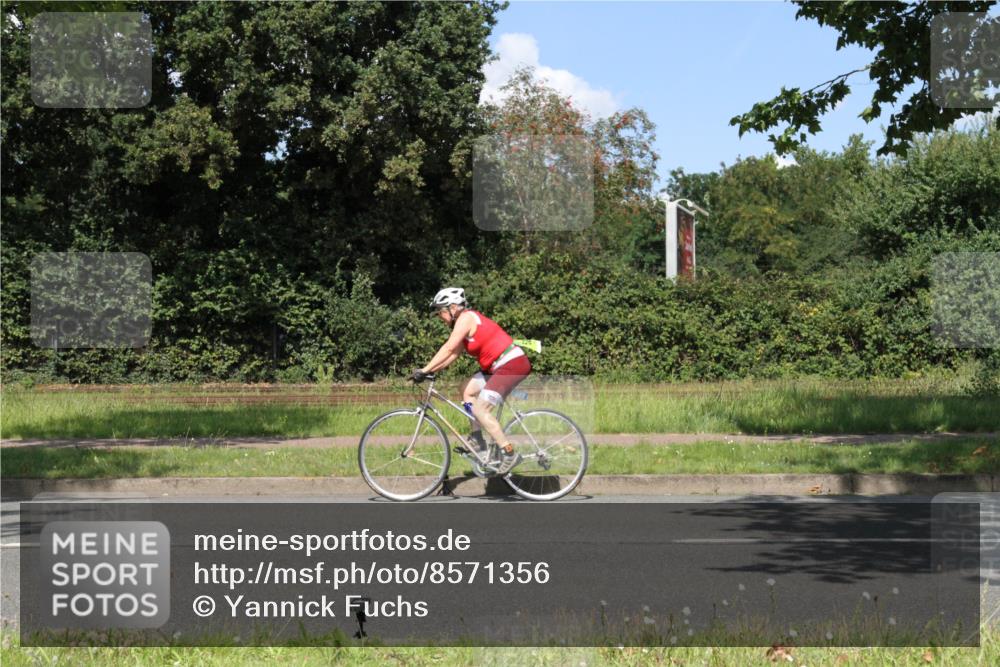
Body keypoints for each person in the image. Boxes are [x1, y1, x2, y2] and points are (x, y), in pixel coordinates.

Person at [411, 287, 531, 475]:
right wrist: (431, 371)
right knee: (466, 390)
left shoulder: (466, 318)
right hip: (496, 367)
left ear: (452, 308)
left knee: (481, 408)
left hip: (511, 364)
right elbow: (453, 355)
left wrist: (424, 369)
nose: (439, 317)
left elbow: (449, 347)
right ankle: (477, 437)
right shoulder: (462, 325)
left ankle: (509, 453)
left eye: (440, 312)